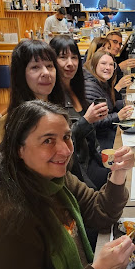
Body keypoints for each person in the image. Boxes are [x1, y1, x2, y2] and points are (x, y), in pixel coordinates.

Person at [0, 100, 135, 269]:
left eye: (66, 137)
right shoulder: (7, 218)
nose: (65, 151)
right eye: (48, 141)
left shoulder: (53, 179)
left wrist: (118, 171)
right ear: (19, 149)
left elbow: (102, 212)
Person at [50, 35, 110, 190]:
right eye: (63, 57)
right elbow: (62, 143)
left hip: (91, 159)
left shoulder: (76, 89)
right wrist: (87, 120)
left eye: (74, 57)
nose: (70, 63)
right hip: (76, 169)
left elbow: (91, 139)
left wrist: (103, 158)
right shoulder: (51, 96)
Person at [83, 50, 133, 149]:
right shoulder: (90, 86)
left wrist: (126, 103)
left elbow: (110, 106)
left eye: (111, 64)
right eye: (103, 63)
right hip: (99, 142)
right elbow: (96, 121)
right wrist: (118, 116)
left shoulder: (102, 81)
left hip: (106, 133)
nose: (108, 67)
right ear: (94, 65)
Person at [7, 39, 65, 115]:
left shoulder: (55, 105)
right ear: (20, 74)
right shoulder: (25, 118)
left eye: (49, 66)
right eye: (35, 67)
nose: (46, 73)